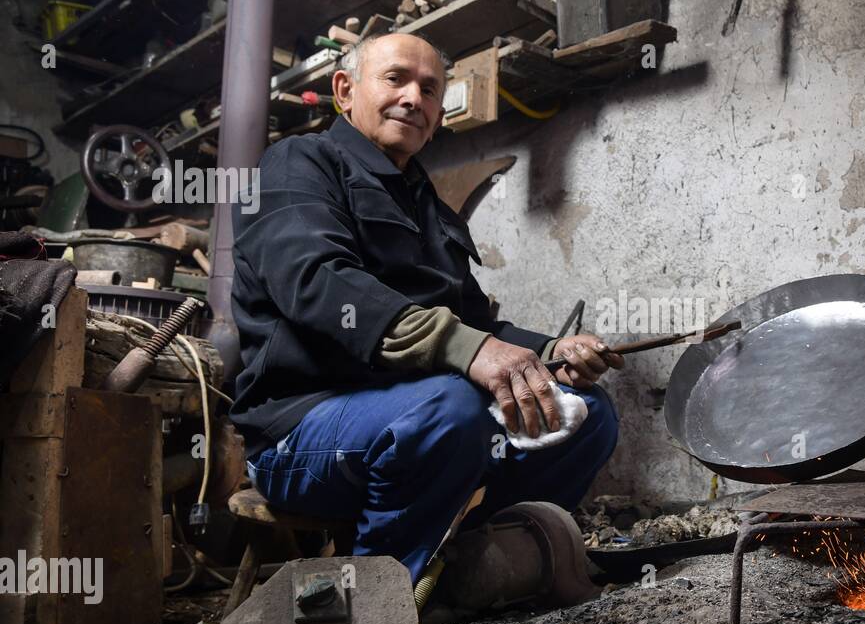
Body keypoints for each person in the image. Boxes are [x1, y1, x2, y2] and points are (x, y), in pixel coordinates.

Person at [229, 32, 621, 581]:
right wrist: (471, 352)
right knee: (449, 406)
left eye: (431, 89)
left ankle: (475, 565)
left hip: (418, 413)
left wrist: (552, 351)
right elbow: (318, 284)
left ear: (438, 114)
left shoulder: (427, 207)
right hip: (302, 431)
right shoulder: (297, 165)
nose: (414, 98)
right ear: (344, 90)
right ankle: (377, 597)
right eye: (395, 79)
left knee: (589, 414)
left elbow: (477, 325)